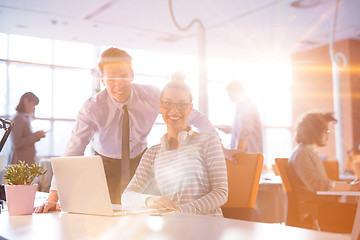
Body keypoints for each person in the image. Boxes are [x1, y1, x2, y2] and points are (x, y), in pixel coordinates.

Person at [34, 47, 217, 213]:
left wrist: (217, 145)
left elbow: (195, 117)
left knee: (144, 216)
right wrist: (53, 196)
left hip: (140, 164)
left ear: (132, 74)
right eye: (111, 79)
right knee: (103, 218)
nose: (118, 85)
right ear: (102, 79)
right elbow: (72, 152)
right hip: (105, 166)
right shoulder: (92, 108)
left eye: (123, 77)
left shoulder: (152, 95)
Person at [121, 79, 228, 216]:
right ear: (160, 107)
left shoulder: (208, 141)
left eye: (182, 104)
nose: (174, 110)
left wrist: (181, 211)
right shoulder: (153, 153)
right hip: (174, 226)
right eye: (167, 103)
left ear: (190, 108)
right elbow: (127, 196)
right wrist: (150, 200)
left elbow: (221, 192)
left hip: (207, 226)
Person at [288, 111, 360, 233]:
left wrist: (351, 186)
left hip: (321, 208)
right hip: (315, 212)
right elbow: (317, 185)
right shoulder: (302, 154)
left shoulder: (308, 153)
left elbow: (322, 184)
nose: (329, 135)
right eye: (327, 131)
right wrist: (351, 188)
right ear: (315, 131)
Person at [217, 80, 263, 153]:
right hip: (247, 156)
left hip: (248, 157)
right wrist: (231, 129)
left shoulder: (246, 106)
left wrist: (237, 154)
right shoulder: (241, 106)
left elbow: (244, 132)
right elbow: (244, 127)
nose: (230, 98)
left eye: (230, 95)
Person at [7, 92, 46, 165]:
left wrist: (37, 136)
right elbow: (17, 143)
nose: (34, 108)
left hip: (24, 163)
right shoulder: (18, 118)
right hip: (20, 164)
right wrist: (36, 136)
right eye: (33, 104)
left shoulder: (24, 118)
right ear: (25, 101)